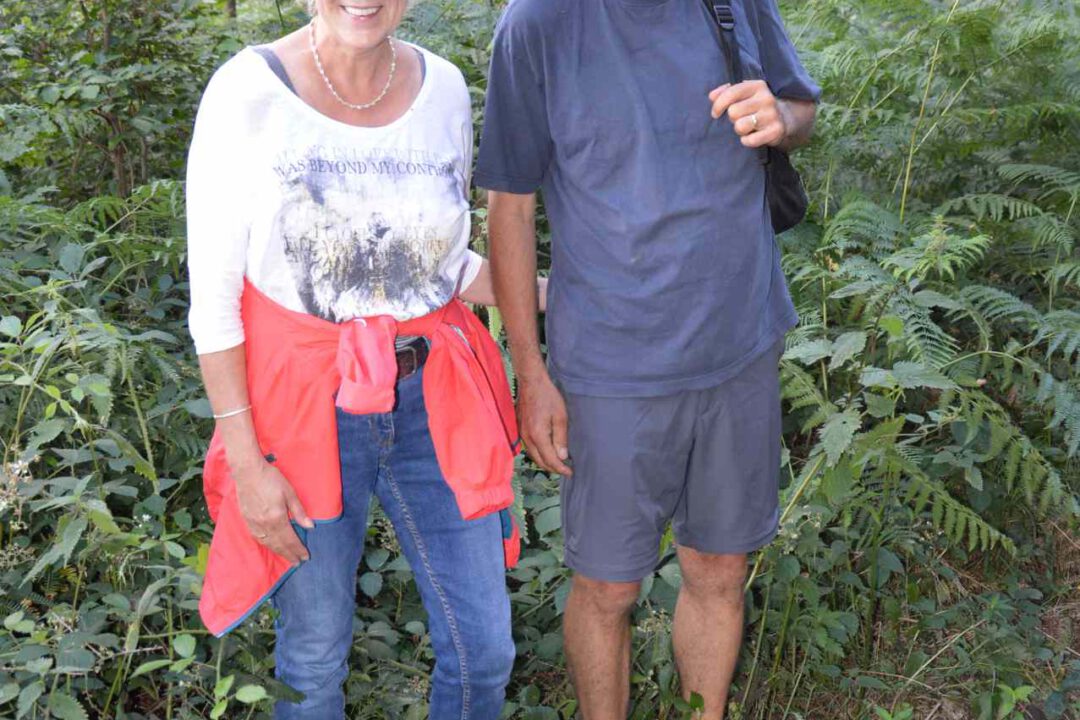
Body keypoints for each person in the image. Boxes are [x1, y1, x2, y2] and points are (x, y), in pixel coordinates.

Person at [185, 1, 545, 717]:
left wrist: (557, 291)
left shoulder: (442, 87)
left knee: (484, 649)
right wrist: (249, 465)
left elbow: (435, 262)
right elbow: (214, 305)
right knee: (314, 658)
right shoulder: (246, 91)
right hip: (303, 414)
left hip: (430, 401)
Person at [475, 0, 820, 718]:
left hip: (739, 342)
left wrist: (782, 120)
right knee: (607, 587)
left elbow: (800, 107)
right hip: (610, 363)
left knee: (720, 571)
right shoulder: (538, 23)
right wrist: (530, 373)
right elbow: (509, 204)